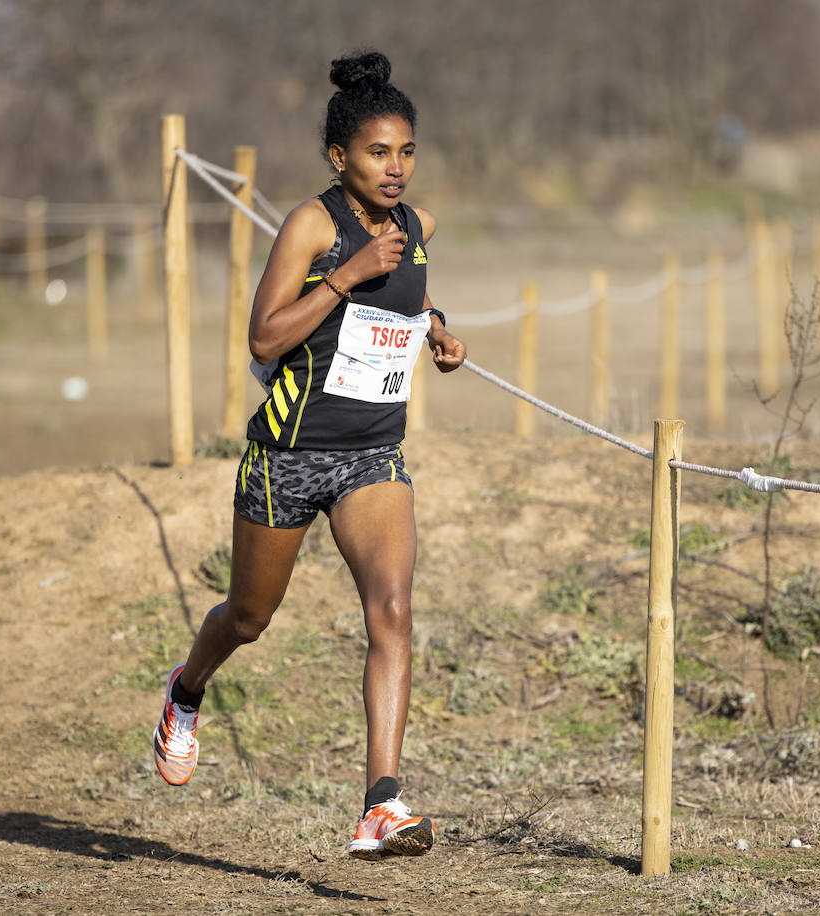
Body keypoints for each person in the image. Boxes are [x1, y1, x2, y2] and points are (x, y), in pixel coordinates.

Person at [151, 49, 466, 862]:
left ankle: (380, 804)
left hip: (372, 456)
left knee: (392, 612)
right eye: (377, 153)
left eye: (406, 153)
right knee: (248, 618)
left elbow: (412, 295)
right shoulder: (312, 226)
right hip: (287, 456)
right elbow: (263, 336)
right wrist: (345, 276)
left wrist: (436, 333)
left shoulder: (418, 228)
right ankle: (186, 691)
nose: (395, 169)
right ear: (340, 157)